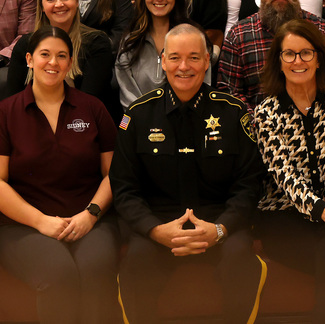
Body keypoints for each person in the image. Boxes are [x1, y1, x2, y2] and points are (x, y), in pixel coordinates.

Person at [110, 23, 266, 324]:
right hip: (159, 224)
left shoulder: (232, 112)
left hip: (219, 222)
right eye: (175, 58)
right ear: (163, 60)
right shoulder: (138, 115)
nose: (184, 67)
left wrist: (219, 230)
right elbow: (124, 188)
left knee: (241, 260)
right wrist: (155, 230)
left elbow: (248, 185)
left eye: (194, 58)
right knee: (136, 263)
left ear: (208, 61)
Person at [0, 26, 120, 324]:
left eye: (61, 56)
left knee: (96, 270)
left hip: (89, 221)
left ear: (71, 63)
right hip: (22, 227)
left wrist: (91, 214)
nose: (53, 63)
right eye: (45, 55)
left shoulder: (93, 108)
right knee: (58, 274)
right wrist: (41, 221)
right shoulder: (5, 112)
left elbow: (114, 174)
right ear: (30, 59)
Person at [254, 19, 325, 323]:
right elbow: (286, 177)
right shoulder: (267, 113)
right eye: (289, 54)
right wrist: (323, 211)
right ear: (278, 62)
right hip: (284, 216)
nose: (298, 61)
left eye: (306, 53)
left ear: (319, 58)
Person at [6, 0, 115, 113]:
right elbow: (12, 101)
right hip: (32, 120)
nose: (59, 4)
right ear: (42, 7)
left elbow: (91, 102)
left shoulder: (97, 42)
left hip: (80, 122)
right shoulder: (25, 45)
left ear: (77, 1)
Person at [116, 0, 201, 109]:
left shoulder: (194, 38)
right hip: (141, 127)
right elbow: (128, 99)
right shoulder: (130, 41)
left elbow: (200, 89)